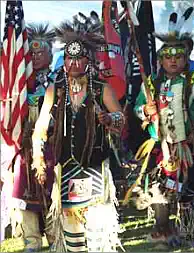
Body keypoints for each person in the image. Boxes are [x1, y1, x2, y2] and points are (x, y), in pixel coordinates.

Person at [32, 13, 125, 252]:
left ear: (88, 61)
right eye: (69, 59)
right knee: (71, 225)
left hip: (94, 166)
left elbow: (121, 118)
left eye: (79, 59)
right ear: (64, 62)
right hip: (67, 166)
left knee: (97, 228)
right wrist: (39, 160)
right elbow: (40, 127)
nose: (73, 65)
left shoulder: (102, 89)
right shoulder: (56, 90)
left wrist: (108, 118)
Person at [133, 8, 194, 250]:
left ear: (186, 59)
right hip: (160, 147)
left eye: (178, 56)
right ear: (161, 59)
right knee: (159, 192)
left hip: (188, 146)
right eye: (168, 56)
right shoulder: (151, 84)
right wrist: (145, 111)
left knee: (187, 192)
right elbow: (138, 107)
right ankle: (163, 234)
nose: (173, 60)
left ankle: (190, 236)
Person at [11, 23, 55, 251]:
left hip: (51, 147)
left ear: (51, 54)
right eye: (33, 53)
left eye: (41, 53)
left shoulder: (60, 81)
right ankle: (31, 240)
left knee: (52, 192)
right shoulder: (20, 82)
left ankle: (55, 235)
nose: (36, 57)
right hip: (25, 148)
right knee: (24, 192)